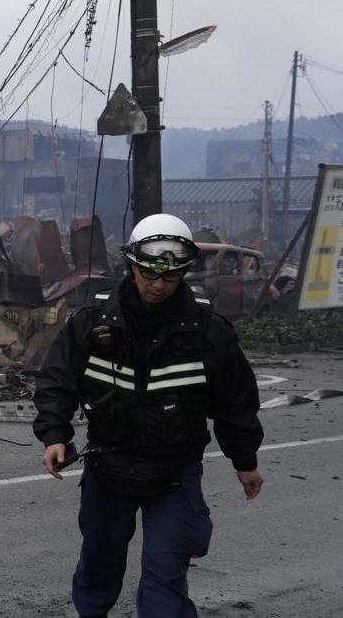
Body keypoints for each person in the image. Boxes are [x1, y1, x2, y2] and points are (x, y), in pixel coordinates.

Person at [33, 213, 264, 618]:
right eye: (149, 274)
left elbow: (236, 401)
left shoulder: (209, 332)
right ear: (132, 266)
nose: (158, 285)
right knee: (98, 568)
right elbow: (57, 382)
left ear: (183, 273)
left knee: (165, 576)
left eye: (170, 277)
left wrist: (245, 462)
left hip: (174, 475)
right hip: (108, 468)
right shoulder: (91, 322)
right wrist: (55, 435)